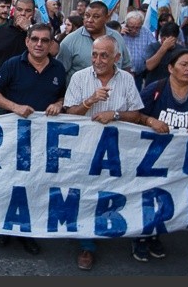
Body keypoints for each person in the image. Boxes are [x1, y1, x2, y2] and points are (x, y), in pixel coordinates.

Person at [0, 22, 66, 257]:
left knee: (35, 185)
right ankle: (3, 227)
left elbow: (62, 96)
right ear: (27, 41)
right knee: (8, 183)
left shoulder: (59, 69)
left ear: (51, 44)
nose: (39, 44)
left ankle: (27, 232)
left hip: (42, 140)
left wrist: (59, 104)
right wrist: (14, 107)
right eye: (35, 39)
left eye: (45, 40)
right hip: (12, 137)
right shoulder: (12, 64)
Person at [63, 35, 146, 270]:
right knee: (85, 193)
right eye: (95, 54)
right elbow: (69, 115)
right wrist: (90, 101)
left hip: (115, 150)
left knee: (108, 193)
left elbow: (137, 114)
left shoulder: (127, 80)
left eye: (104, 55)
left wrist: (115, 114)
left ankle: (110, 228)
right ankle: (86, 245)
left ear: (116, 58)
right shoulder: (79, 78)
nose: (98, 60)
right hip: (83, 148)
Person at [137, 48, 188, 265]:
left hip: (182, 161)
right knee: (149, 197)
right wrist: (150, 121)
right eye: (184, 64)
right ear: (171, 68)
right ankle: (142, 237)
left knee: (168, 198)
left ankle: (156, 234)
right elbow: (135, 114)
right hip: (152, 159)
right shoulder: (156, 90)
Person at [57, 0, 132, 86]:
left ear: (107, 18)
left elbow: (126, 67)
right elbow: (60, 73)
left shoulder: (117, 38)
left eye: (96, 17)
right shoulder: (69, 41)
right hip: (81, 96)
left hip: (114, 94)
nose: (89, 20)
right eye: (87, 16)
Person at [0, 0, 36, 79]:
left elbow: (54, 50)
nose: (23, 13)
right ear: (14, 11)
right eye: (19, 10)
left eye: (28, 10)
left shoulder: (39, 32)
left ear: (33, 13)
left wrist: (29, 29)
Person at [121, 10, 155, 91]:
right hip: (122, 74)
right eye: (131, 27)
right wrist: (119, 35)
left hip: (138, 74)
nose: (134, 30)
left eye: (137, 27)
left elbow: (154, 47)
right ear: (126, 24)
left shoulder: (146, 32)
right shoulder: (119, 30)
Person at [143, 22, 185, 87]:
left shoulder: (181, 50)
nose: (165, 41)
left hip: (172, 86)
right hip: (153, 86)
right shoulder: (152, 47)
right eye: (163, 39)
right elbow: (149, 66)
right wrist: (163, 48)